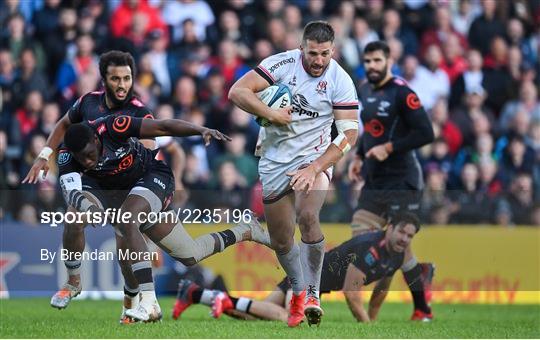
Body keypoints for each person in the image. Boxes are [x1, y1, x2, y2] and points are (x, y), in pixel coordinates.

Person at [55, 113, 269, 323]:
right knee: (190, 254)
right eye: (81, 159)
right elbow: (72, 193)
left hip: (151, 178)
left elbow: (163, 127)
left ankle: (149, 302)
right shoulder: (66, 155)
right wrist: (89, 209)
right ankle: (246, 230)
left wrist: (199, 129)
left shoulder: (113, 127)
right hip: (117, 193)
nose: (88, 162)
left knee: (128, 220)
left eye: (90, 154)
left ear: (95, 139)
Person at [228, 21, 359, 327]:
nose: (318, 60)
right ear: (302, 48)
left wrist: (315, 168)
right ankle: (299, 291)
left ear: (333, 51)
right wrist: (270, 113)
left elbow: (349, 134)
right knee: (283, 241)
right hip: (274, 160)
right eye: (313, 53)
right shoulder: (282, 64)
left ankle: (313, 294)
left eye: (325, 54)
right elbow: (237, 92)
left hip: (314, 159)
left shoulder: (340, 79)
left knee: (308, 216)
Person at [173, 213, 433, 322]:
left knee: (256, 315)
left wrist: (373, 320)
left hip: (309, 280)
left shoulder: (397, 255)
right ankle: (218, 297)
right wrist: (367, 328)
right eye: (402, 233)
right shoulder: (371, 248)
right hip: (308, 280)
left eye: (410, 236)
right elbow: (353, 295)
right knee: (286, 317)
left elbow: (381, 291)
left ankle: (196, 293)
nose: (404, 239)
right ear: (390, 228)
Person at [347, 41, 435, 321]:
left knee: (398, 245)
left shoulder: (402, 93)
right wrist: (359, 156)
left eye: (376, 61)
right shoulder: (364, 89)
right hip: (375, 180)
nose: (371, 66)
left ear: (389, 60)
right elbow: (372, 132)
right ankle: (418, 276)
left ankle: (420, 309)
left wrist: (390, 148)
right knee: (363, 241)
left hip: (403, 180)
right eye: (368, 61)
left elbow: (426, 133)